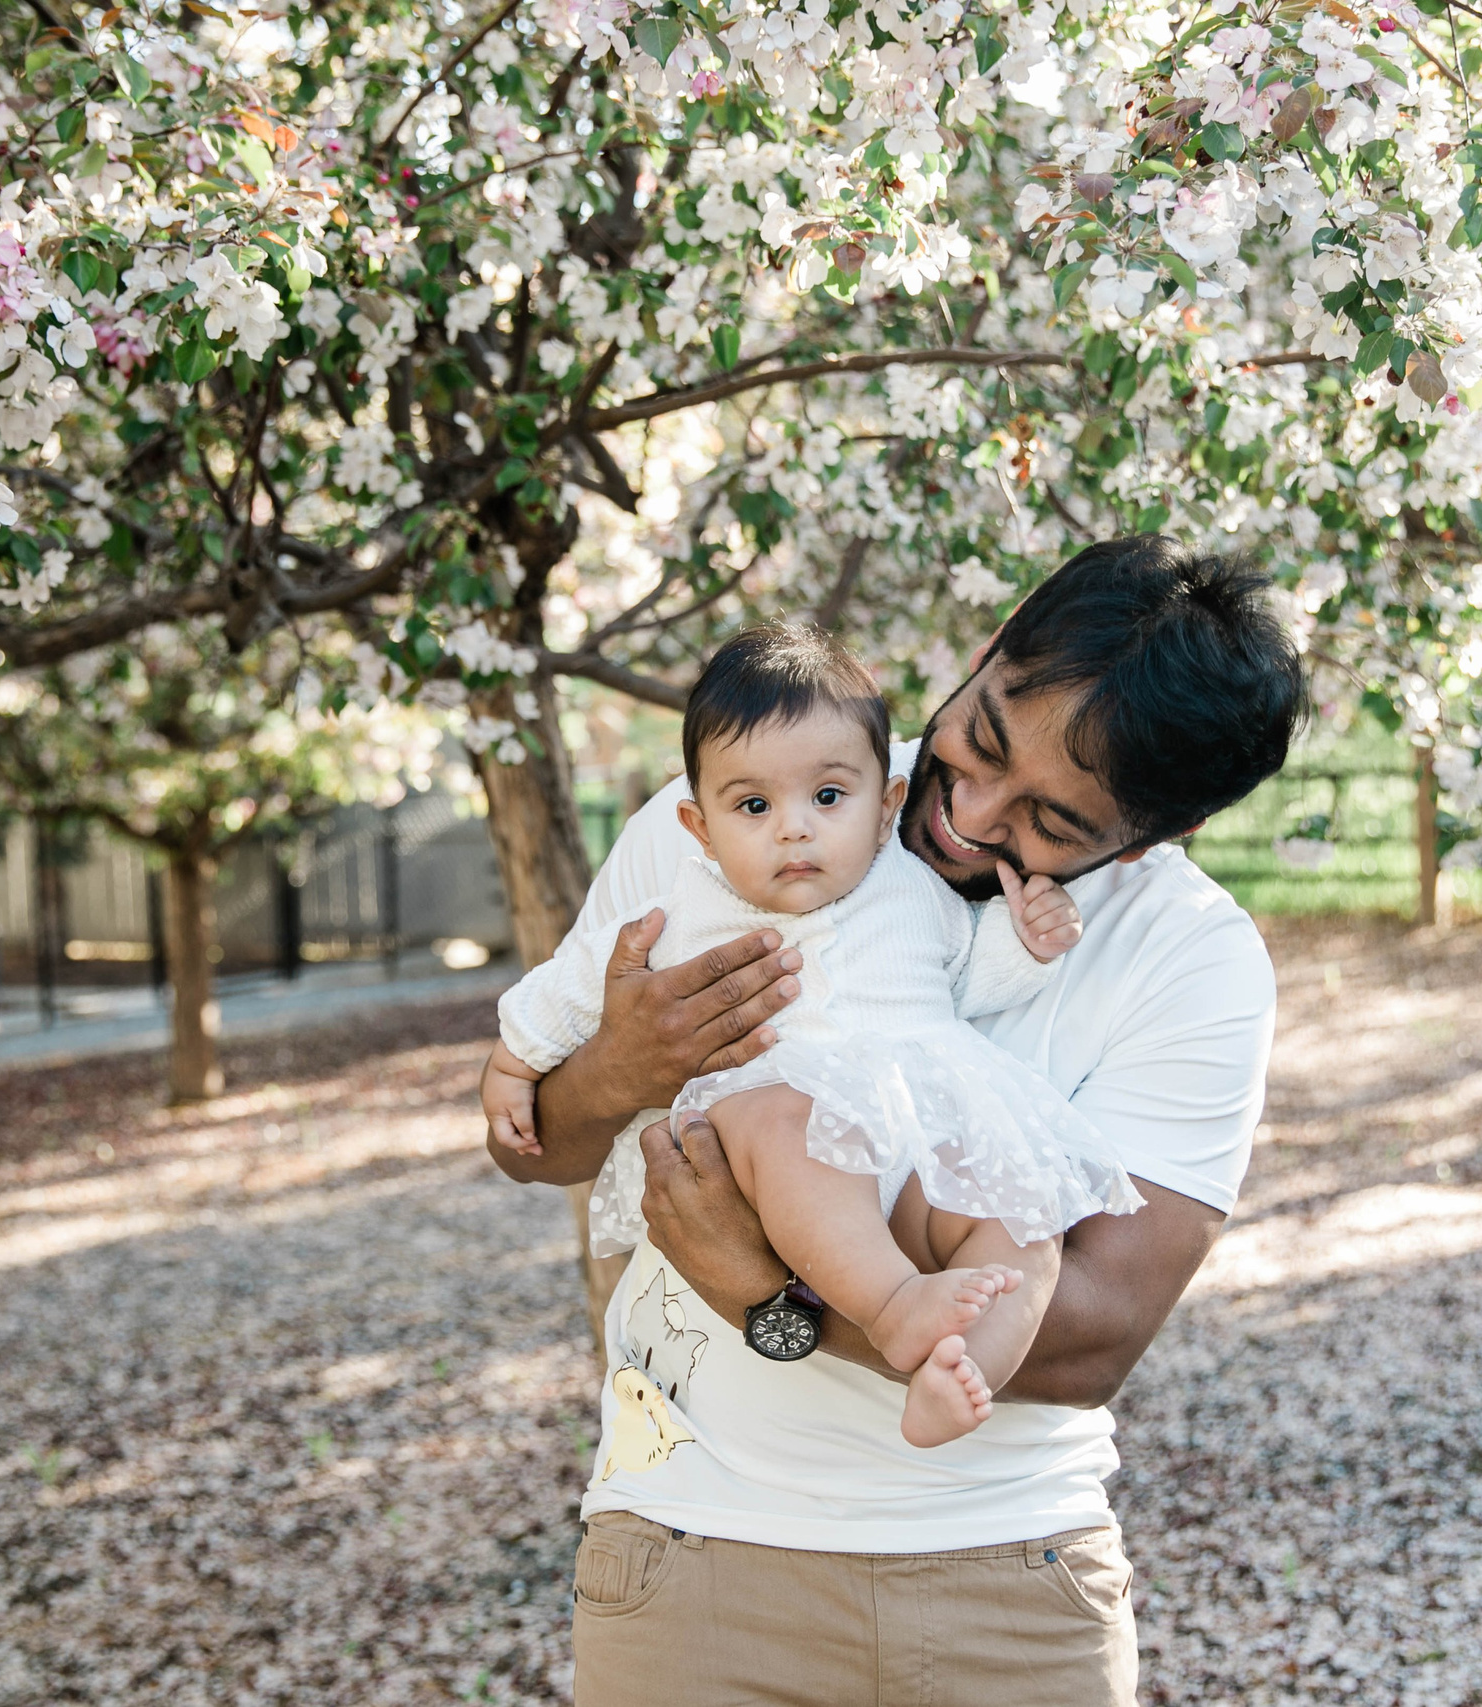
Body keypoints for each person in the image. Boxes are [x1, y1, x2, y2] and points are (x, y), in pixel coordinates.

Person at [487, 536, 1307, 1705]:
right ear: (983, 653)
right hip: (689, 1549)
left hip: (1008, 1576)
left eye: (1054, 824)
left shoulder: (1194, 959)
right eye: (977, 741)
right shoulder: (758, 791)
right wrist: (619, 1068)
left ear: (1157, 832)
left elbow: (1092, 1337)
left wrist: (769, 1302)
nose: (969, 818)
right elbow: (539, 1145)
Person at [482, 622, 1141, 1447]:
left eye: (828, 798)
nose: (793, 828)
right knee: (782, 1119)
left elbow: (970, 974)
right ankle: (895, 1305)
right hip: (792, 1152)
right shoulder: (684, 907)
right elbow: (577, 981)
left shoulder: (914, 889)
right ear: (699, 826)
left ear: (884, 807)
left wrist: (1031, 940)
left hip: (918, 1142)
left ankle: (957, 1369)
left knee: (1026, 1223)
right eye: (754, 806)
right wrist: (513, 1062)